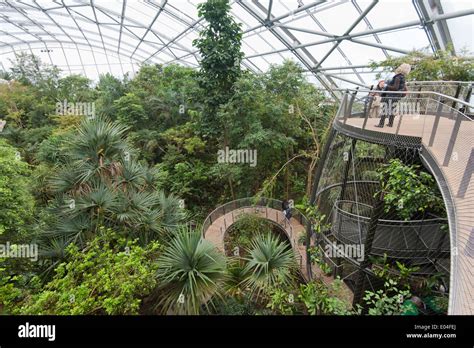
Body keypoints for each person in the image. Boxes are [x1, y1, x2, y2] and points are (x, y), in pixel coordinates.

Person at [376, 63, 411, 128]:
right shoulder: (402, 77)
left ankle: (381, 124)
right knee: (392, 110)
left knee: (385, 109)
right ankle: (390, 123)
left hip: (391, 95)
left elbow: (395, 87)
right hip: (397, 96)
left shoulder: (397, 77)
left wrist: (386, 85)